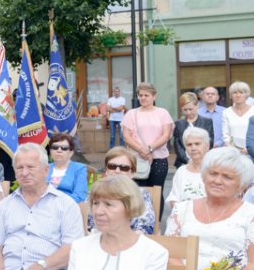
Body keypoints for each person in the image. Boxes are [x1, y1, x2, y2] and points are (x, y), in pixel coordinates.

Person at [122, 82, 173, 220]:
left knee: (157, 191)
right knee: (139, 192)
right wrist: (142, 150)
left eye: (147, 95)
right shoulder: (131, 114)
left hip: (159, 158)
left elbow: (166, 134)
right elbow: (126, 136)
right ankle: (141, 221)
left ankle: (156, 223)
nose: (143, 98)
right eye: (140, 95)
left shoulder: (162, 113)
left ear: (154, 96)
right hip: (138, 159)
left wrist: (150, 149)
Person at [87, 147, 156, 235]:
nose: (117, 171)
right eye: (112, 166)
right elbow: (90, 223)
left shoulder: (141, 194)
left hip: (131, 243)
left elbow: (145, 227)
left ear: (133, 173)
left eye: (124, 168)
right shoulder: (96, 192)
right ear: (106, 170)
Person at [166, 127, 209, 208]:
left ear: (207, 146)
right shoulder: (181, 171)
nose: (193, 148)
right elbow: (174, 199)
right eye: (189, 145)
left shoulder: (215, 170)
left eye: (197, 144)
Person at [47, 131, 89, 204]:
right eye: (55, 147)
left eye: (64, 148)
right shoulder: (45, 168)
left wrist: (56, 203)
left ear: (71, 152)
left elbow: (79, 196)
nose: (59, 150)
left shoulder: (79, 169)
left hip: (68, 208)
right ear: (50, 151)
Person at [173, 91, 214, 167]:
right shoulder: (178, 124)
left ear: (197, 106)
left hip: (203, 161)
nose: (188, 112)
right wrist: (188, 161)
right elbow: (178, 146)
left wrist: (199, 160)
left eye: (190, 109)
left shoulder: (207, 122)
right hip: (183, 162)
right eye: (185, 110)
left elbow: (209, 142)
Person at [221, 81, 254, 154]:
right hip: (233, 153)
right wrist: (231, 149)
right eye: (235, 92)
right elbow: (225, 134)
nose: (238, 95)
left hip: (252, 152)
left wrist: (250, 149)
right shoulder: (226, 112)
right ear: (231, 95)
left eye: (241, 92)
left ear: (246, 95)